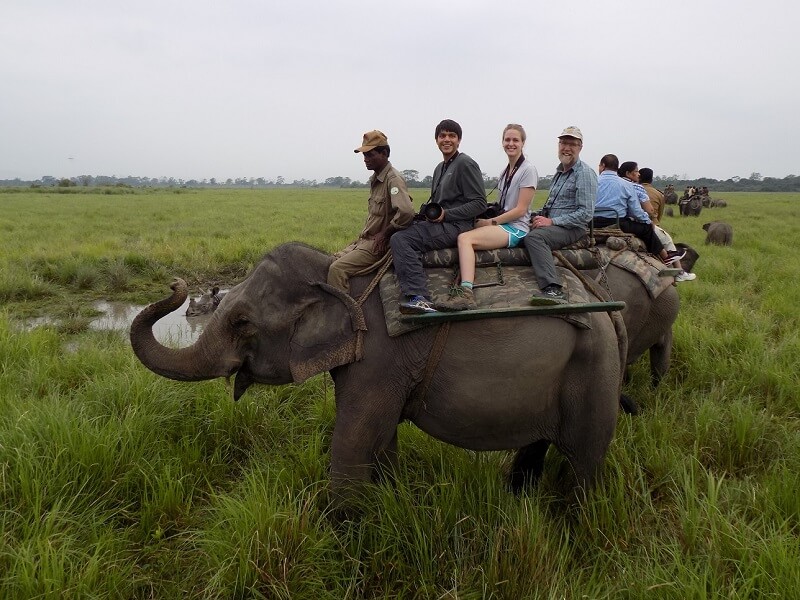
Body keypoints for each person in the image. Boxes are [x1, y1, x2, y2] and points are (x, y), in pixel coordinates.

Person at [390, 119, 487, 314]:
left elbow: (479, 203)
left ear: (459, 140)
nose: (447, 139)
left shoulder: (465, 164)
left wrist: (446, 214)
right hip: (442, 224)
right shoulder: (440, 168)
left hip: (458, 226)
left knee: (401, 239)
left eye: (452, 136)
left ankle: (420, 297)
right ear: (436, 140)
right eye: (442, 136)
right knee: (402, 229)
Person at [440, 124, 538, 310]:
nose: (511, 143)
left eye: (515, 140)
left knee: (465, 238)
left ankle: (466, 292)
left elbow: (520, 210)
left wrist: (490, 222)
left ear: (523, 143)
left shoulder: (528, 170)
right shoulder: (505, 171)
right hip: (503, 223)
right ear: (502, 142)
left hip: (515, 228)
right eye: (507, 140)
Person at [327, 130, 415, 293]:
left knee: (337, 269)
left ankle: (345, 308)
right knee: (330, 260)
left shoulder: (393, 179)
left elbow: (407, 212)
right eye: (364, 155)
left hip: (377, 245)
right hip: (365, 241)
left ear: (384, 153)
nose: (365, 159)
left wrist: (385, 234)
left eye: (370, 155)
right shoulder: (376, 180)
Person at [524, 126, 596, 304]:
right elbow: (551, 206)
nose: (567, 148)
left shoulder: (584, 173)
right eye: (563, 143)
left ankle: (553, 289)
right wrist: (528, 215)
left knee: (535, 238)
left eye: (572, 144)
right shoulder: (559, 173)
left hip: (572, 228)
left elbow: (586, 213)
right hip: (555, 224)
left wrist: (551, 221)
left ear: (580, 147)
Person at [593, 154, 675, 265]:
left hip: (592, 223)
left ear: (603, 165)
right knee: (646, 229)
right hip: (618, 224)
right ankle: (665, 257)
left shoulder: (591, 182)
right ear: (616, 167)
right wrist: (647, 221)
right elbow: (636, 212)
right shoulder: (627, 185)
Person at [639, 167, 697, 282]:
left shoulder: (631, 189)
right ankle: (679, 272)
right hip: (650, 225)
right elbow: (659, 215)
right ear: (651, 179)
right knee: (668, 241)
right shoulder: (658, 194)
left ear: (639, 177)